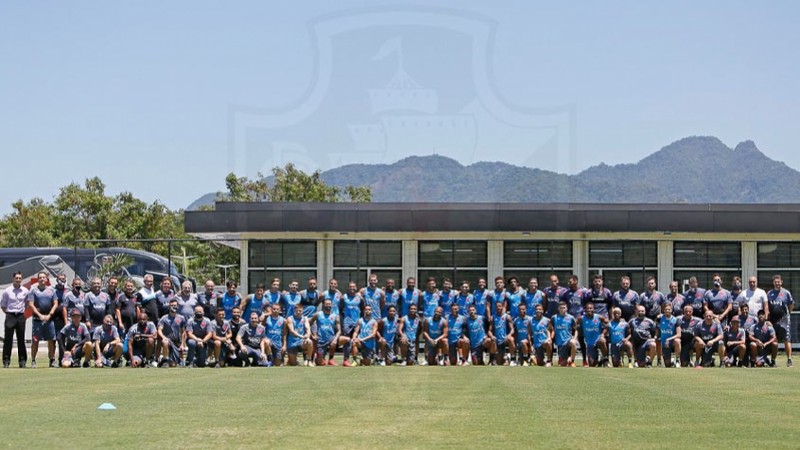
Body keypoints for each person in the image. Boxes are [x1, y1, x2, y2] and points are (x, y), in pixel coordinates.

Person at [27, 271, 59, 368]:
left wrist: (50, 315)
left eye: (43, 277)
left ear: (46, 279)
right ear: (38, 279)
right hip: (37, 320)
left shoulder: (51, 290)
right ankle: (33, 360)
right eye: (40, 277)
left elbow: (56, 303)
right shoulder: (33, 290)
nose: (42, 279)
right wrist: (40, 315)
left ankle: (52, 360)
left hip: (49, 320)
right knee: (35, 341)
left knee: (51, 340)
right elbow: (31, 304)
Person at [2, 272, 29, 368]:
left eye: (20, 278)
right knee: (8, 340)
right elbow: (3, 305)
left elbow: (27, 304)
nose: (18, 280)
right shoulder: (7, 291)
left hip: (21, 316)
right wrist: (9, 314)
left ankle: (22, 361)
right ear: (13, 278)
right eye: (16, 278)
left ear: (22, 279)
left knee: (21, 339)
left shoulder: (25, 291)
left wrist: (21, 313)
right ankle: (6, 361)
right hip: (10, 315)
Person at [766, 274, 793, 368]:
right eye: (775, 282)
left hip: (784, 320)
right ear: (773, 283)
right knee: (774, 340)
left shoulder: (786, 293)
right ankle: (773, 360)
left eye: (779, 282)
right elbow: (767, 307)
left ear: (782, 282)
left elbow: (791, 305)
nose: (777, 284)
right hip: (773, 320)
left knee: (786, 339)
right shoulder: (769, 293)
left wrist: (787, 314)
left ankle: (789, 359)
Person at [561, 275, 587, 365]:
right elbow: (563, 305)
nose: (569, 283)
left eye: (571, 281)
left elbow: (587, 305)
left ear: (576, 281)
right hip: (569, 321)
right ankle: (570, 360)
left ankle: (584, 360)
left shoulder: (583, 291)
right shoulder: (566, 293)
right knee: (569, 340)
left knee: (581, 340)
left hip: (580, 320)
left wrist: (582, 316)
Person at [311, 297, 342, 366]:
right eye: (327, 304)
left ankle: (331, 359)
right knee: (321, 363)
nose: (328, 305)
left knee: (347, 340)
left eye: (329, 304)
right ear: (323, 305)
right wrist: (312, 334)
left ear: (332, 305)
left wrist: (335, 339)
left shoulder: (335, 316)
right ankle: (318, 357)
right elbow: (309, 323)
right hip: (321, 339)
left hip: (331, 338)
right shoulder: (318, 314)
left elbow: (339, 330)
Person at [157, 299, 187, 367]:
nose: (174, 307)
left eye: (175, 305)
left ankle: (163, 362)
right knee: (165, 342)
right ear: (169, 307)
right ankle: (165, 361)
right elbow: (159, 330)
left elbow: (183, 332)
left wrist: (182, 344)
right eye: (172, 305)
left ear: (178, 306)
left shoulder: (181, 318)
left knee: (173, 365)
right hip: (168, 341)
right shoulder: (164, 318)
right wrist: (164, 337)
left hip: (177, 343)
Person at [340, 281, 363, 367]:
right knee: (347, 341)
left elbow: (363, 309)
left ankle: (355, 359)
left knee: (356, 341)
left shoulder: (359, 298)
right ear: (348, 288)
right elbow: (340, 309)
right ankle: (346, 360)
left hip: (357, 322)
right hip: (347, 323)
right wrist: (346, 317)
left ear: (356, 288)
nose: (352, 288)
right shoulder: (344, 297)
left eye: (353, 287)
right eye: (350, 287)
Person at [550, 301, 578, 367]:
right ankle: (566, 359)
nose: (562, 309)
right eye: (561, 308)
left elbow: (576, 330)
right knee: (561, 365)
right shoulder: (554, 317)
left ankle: (572, 361)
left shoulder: (571, 318)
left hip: (568, 341)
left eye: (564, 308)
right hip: (560, 343)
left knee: (573, 343)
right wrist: (550, 337)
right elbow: (549, 328)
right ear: (558, 309)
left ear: (566, 308)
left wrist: (574, 338)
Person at [489, 301, 515, 366]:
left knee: (511, 339)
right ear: (495, 308)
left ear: (502, 307)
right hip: (497, 340)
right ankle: (493, 359)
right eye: (497, 306)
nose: (498, 308)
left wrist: (508, 335)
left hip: (505, 340)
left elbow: (512, 329)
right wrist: (492, 336)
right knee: (500, 363)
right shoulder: (493, 317)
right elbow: (489, 331)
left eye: (500, 306)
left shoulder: (507, 316)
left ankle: (512, 359)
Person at [581, 302, 607, 367]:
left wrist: (603, 334)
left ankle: (605, 359)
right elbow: (574, 325)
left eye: (591, 308)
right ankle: (600, 361)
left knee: (602, 341)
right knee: (592, 364)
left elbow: (608, 324)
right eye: (588, 308)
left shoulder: (599, 317)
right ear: (585, 310)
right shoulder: (581, 318)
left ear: (594, 309)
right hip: (590, 344)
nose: (589, 310)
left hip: (598, 340)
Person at [657, 303, 682, 368]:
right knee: (667, 364)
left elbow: (679, 334)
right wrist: (656, 336)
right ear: (663, 310)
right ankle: (671, 361)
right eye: (666, 309)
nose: (667, 311)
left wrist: (668, 339)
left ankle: (677, 360)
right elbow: (657, 329)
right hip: (664, 343)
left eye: (669, 309)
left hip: (672, 342)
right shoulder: (659, 318)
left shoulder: (676, 320)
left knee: (677, 341)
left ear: (671, 310)